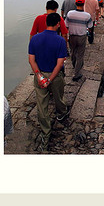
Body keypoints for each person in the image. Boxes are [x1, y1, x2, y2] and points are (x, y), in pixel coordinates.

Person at [28, 12, 69, 151]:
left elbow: (31, 60)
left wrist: (40, 76)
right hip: (55, 76)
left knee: (42, 105)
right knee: (58, 98)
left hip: (40, 75)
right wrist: (50, 79)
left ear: (46, 23)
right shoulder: (60, 41)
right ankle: (61, 113)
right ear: (58, 24)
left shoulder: (35, 39)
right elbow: (59, 64)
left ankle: (46, 132)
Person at [65, 0, 93, 81]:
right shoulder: (87, 15)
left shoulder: (70, 13)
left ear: (75, 3)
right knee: (80, 55)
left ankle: (74, 66)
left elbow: (66, 25)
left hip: (72, 36)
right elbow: (90, 26)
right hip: (82, 37)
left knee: (73, 52)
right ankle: (77, 73)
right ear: (83, 4)